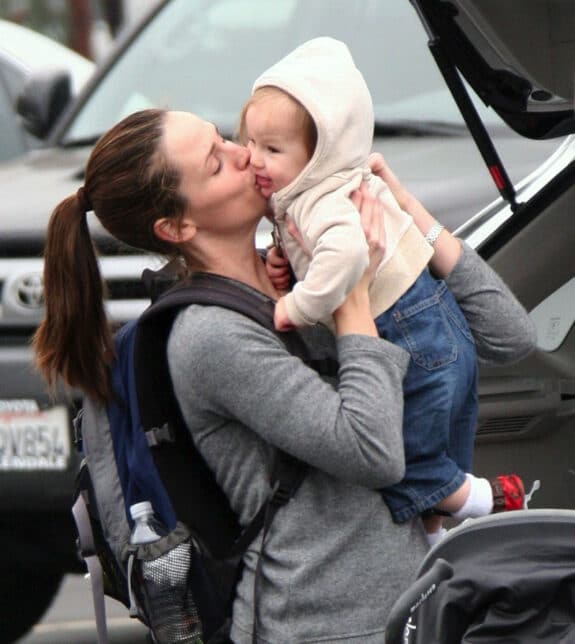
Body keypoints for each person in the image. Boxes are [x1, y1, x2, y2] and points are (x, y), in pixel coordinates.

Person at [33, 107, 537, 643]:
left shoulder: (301, 264)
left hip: (406, 608)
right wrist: (352, 297)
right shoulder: (211, 337)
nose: (244, 152)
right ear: (177, 226)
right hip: (321, 625)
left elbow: (509, 336)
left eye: (226, 138)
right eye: (216, 163)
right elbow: (373, 451)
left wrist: (405, 211)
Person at [239, 37, 528, 544]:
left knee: (411, 461)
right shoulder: (323, 191)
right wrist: (286, 266)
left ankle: (483, 499)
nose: (253, 160)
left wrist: (298, 303)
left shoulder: (320, 200)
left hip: (405, 332)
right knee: (440, 445)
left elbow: (347, 259)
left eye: (272, 149)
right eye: (247, 144)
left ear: (318, 155)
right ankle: (437, 538)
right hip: (433, 321)